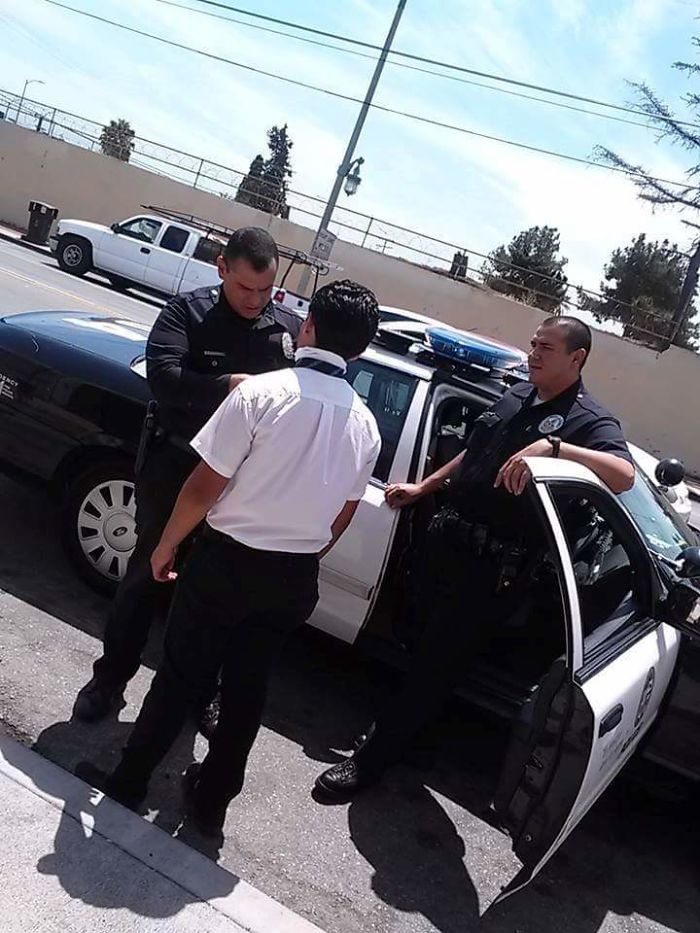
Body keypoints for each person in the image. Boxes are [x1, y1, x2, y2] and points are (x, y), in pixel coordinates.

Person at [89, 280, 381, 834]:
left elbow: (203, 486)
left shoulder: (263, 393)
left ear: (309, 326)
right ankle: (211, 804)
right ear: (361, 350)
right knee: (248, 690)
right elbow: (341, 517)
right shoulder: (364, 425)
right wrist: (301, 550)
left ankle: (130, 780)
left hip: (227, 563)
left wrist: (167, 544)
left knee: (179, 676)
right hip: (293, 577)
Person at [314, 315, 635, 800]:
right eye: (533, 343)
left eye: (546, 347)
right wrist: (425, 486)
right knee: (420, 646)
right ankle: (414, 740)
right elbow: (474, 452)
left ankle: (372, 759)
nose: (534, 353)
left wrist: (555, 448)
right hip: (448, 545)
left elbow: (624, 475)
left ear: (577, 358)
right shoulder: (516, 396)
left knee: (434, 664)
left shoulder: (589, 420)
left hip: (491, 571)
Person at [73, 227, 300, 724]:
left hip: (242, 483)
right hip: (177, 466)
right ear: (222, 268)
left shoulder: (284, 330)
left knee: (223, 595)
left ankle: (201, 696)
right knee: (144, 576)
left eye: (266, 290)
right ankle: (109, 679)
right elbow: (165, 380)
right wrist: (230, 386)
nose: (256, 300)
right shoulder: (187, 313)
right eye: (245, 288)